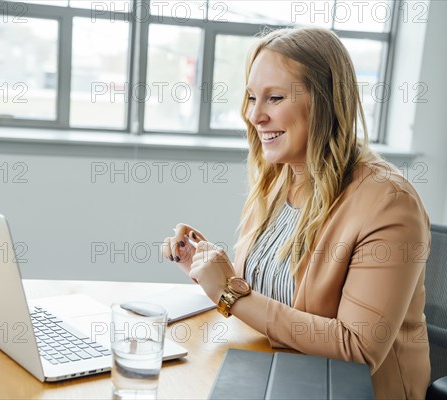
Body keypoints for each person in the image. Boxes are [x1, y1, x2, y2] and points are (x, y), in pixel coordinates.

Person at [161, 27, 431, 399]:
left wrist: (230, 293)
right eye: (252, 97)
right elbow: (274, 296)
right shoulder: (279, 178)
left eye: (274, 98)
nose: (255, 115)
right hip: (277, 375)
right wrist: (208, 268)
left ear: (324, 101)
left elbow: (358, 349)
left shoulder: (389, 203)